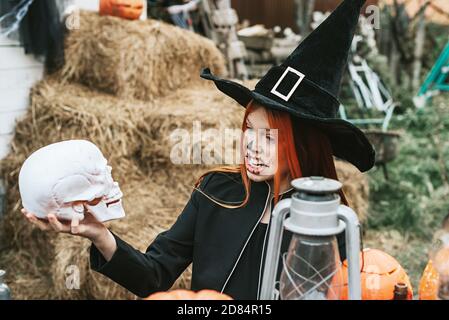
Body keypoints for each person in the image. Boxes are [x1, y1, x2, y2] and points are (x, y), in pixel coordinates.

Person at [22, 0, 375, 300]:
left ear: (304, 145)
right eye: (249, 130)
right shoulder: (215, 192)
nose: (251, 145)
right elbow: (155, 276)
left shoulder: (328, 225)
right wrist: (99, 233)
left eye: (269, 138)